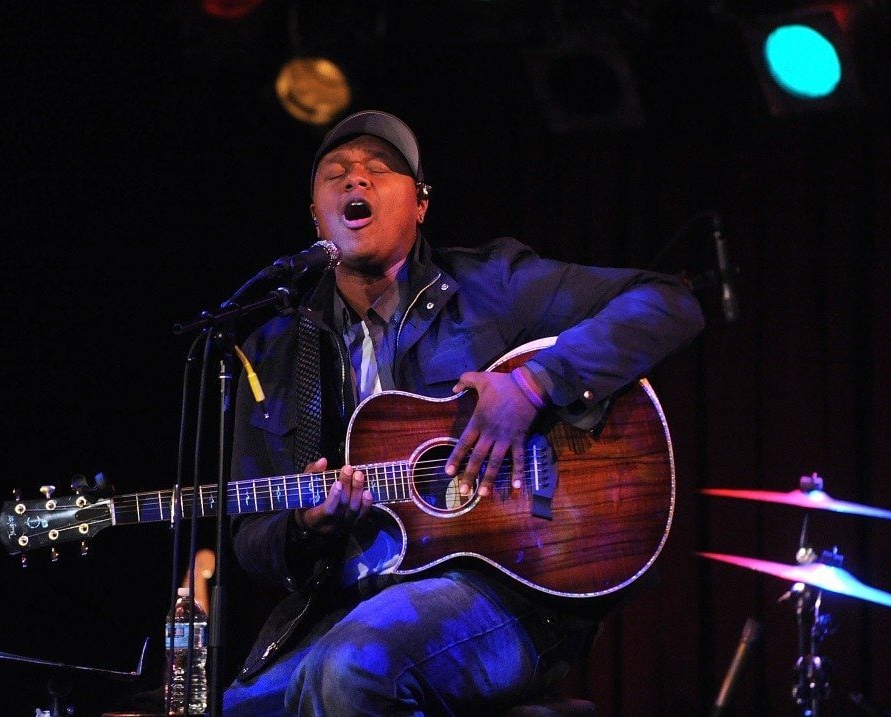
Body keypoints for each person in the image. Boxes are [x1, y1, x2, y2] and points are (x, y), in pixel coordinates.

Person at [222, 110, 704, 715]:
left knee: (353, 667)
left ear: (421, 204)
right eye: (336, 175)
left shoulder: (491, 283)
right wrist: (305, 525)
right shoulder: (272, 352)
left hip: (509, 594)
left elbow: (667, 302)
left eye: (379, 170)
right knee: (242, 707)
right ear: (316, 214)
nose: (355, 183)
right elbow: (250, 538)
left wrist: (534, 385)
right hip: (342, 600)